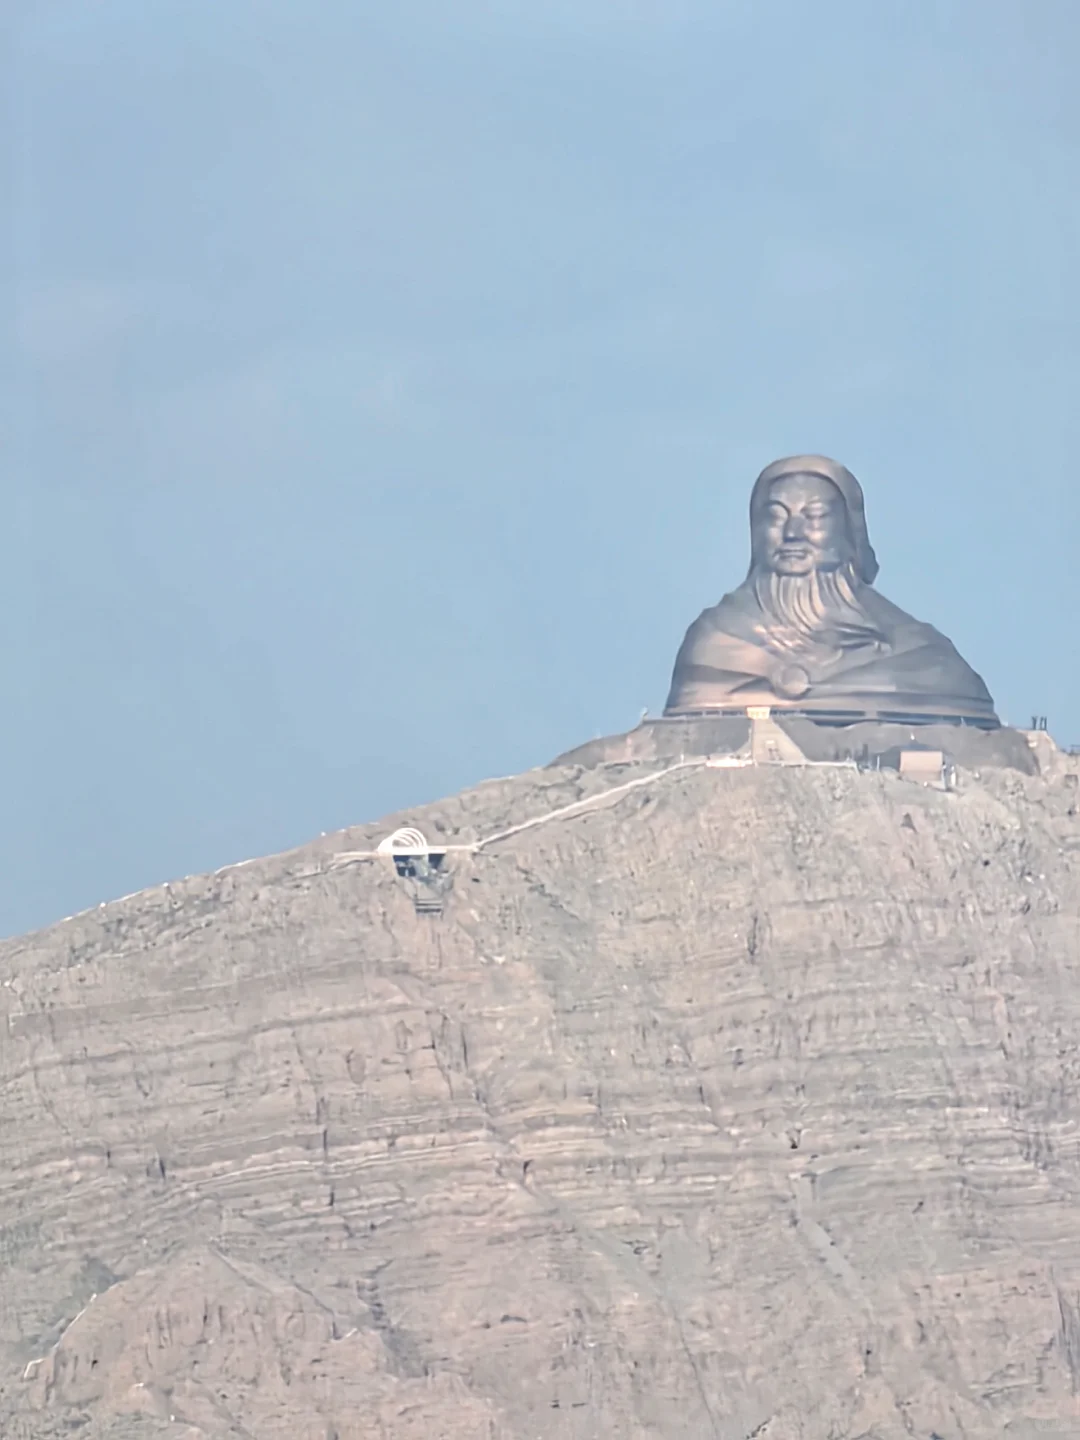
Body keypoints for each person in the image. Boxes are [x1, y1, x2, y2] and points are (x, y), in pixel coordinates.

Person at [664, 455, 998, 726]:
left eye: (815, 517)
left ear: (848, 533)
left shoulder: (918, 651)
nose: (793, 533)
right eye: (777, 517)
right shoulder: (716, 639)